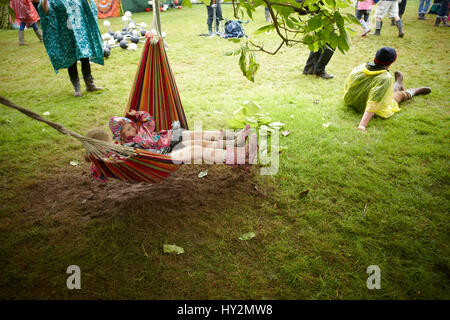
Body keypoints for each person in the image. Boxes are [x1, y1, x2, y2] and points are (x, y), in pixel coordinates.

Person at [343, 47, 431, 132]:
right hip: (366, 108)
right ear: (390, 63)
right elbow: (373, 103)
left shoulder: (362, 66)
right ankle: (412, 91)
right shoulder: (385, 78)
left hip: (351, 101)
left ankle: (398, 84)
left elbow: (348, 84)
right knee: (396, 97)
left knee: (384, 89)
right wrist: (362, 125)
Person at [38, 0, 103, 97]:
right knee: (71, 59)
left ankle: (90, 84)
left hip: (80, 31)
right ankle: (77, 88)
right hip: (66, 34)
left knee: (85, 57)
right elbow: (46, 12)